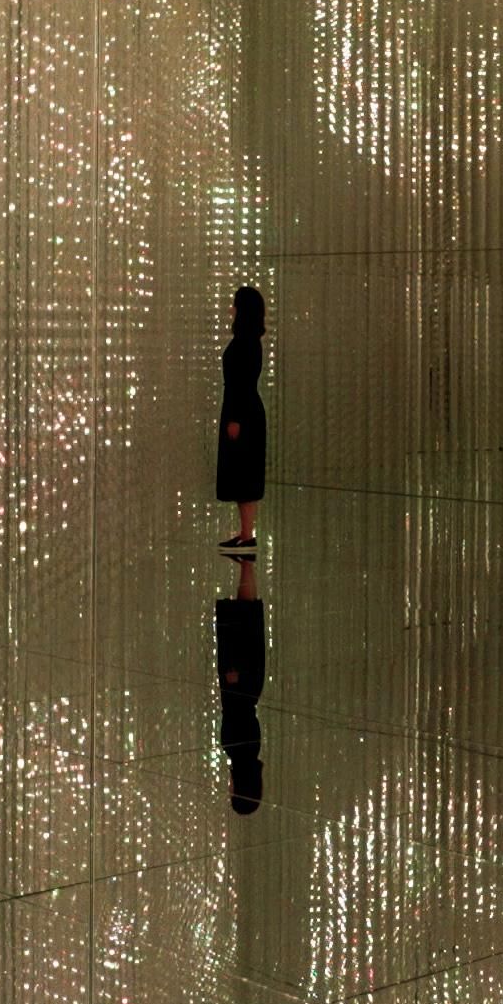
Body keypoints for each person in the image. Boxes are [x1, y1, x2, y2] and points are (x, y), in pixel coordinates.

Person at [219, 285, 268, 549]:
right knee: (243, 474)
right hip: (244, 410)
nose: (231, 309)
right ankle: (245, 533)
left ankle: (248, 535)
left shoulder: (246, 342)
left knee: (245, 474)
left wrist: (235, 418)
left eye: (235, 304)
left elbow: (242, 382)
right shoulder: (248, 340)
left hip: (243, 413)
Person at [218, 556, 266, 813]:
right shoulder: (239, 750)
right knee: (243, 615)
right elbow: (241, 714)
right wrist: (235, 684)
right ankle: (247, 555)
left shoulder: (247, 752)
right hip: (239, 681)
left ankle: (247, 559)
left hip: (245, 683)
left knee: (246, 613)